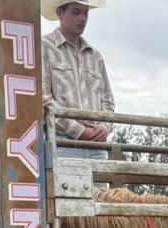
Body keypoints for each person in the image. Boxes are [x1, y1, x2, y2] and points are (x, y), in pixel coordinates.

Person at [41, 0, 114, 160]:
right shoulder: (44, 47)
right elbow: (43, 99)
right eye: (76, 12)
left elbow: (108, 102)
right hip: (63, 144)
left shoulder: (96, 57)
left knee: (99, 186)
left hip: (97, 147)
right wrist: (79, 131)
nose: (82, 18)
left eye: (85, 13)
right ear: (60, 13)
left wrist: (104, 128)